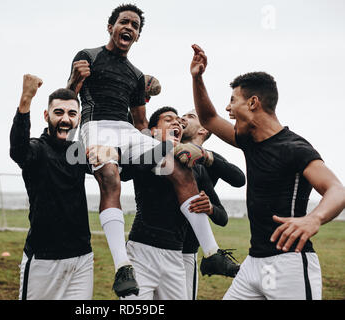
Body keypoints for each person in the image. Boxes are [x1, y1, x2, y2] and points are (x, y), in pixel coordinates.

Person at [66, 4, 223, 298]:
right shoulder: (87, 56)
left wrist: (148, 155)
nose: (129, 27)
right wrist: (74, 81)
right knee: (111, 176)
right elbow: (69, 103)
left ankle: (212, 251)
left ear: (138, 36)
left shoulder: (137, 75)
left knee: (178, 163)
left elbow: (139, 122)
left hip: (127, 131)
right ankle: (123, 267)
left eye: (135, 25)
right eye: (124, 22)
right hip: (96, 127)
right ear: (110, 26)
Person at [189, 44, 345, 300]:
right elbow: (208, 119)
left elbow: (337, 190)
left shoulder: (294, 148)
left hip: (290, 265)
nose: (228, 110)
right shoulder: (249, 141)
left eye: (232, 101)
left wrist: (313, 219)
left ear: (253, 102)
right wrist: (197, 78)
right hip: (252, 264)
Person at [10, 74, 116, 300]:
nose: (65, 119)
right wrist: (26, 99)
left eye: (71, 114)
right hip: (43, 260)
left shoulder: (78, 152)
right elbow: (17, 150)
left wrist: (112, 152)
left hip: (81, 259)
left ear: (78, 119)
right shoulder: (36, 149)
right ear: (47, 116)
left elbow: (120, 172)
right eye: (59, 113)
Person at [120, 107, 240, 300]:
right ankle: (212, 252)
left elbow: (227, 205)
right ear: (152, 131)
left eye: (181, 120)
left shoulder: (196, 167)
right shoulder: (146, 155)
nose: (178, 122)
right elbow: (130, 168)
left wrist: (209, 207)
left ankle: (212, 253)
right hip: (142, 249)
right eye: (169, 119)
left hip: (178, 253)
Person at [180, 109, 246, 300]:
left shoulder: (208, 161)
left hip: (187, 249)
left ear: (203, 130)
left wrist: (205, 156)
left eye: (191, 116)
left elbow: (239, 179)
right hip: (153, 242)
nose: (182, 118)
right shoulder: (163, 150)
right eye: (181, 115)